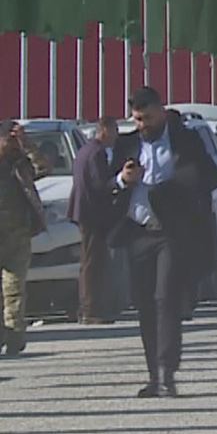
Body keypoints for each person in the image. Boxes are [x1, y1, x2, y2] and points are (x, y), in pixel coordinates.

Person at [113, 88, 217, 396]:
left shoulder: (186, 141)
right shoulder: (126, 144)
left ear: (161, 112)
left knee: (166, 298)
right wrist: (123, 179)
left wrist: (177, 185)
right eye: (137, 119)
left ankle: (166, 371)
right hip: (138, 232)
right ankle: (153, 375)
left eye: (147, 118)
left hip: (172, 233)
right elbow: (107, 184)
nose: (143, 125)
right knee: (145, 304)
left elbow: (211, 178)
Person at [69, 117, 124, 323]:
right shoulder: (97, 153)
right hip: (92, 213)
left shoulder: (85, 150)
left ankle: (89, 307)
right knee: (93, 262)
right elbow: (100, 184)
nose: (116, 135)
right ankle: (90, 310)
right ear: (104, 130)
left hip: (86, 212)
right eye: (114, 130)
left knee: (90, 260)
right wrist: (120, 181)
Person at [1, 123, 45, 355]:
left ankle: (15, 336)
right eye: (9, 139)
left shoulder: (19, 163)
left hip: (17, 234)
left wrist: (27, 145)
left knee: (14, 288)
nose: (12, 144)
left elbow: (43, 168)